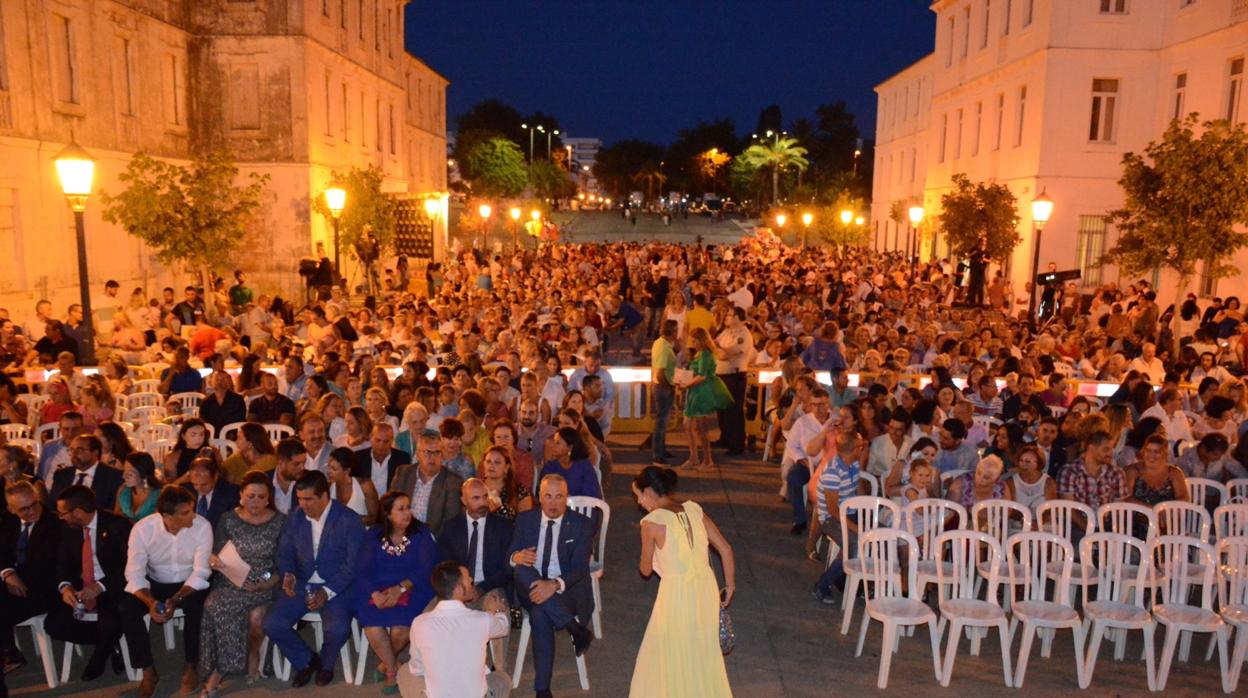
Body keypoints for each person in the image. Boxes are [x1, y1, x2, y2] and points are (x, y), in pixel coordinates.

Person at [629, 466, 734, 697]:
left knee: (669, 650)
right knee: (702, 649)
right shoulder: (693, 509)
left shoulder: (651, 522)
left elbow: (645, 570)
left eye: (638, 495)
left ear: (648, 491)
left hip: (676, 593)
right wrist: (730, 585)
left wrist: (654, 556)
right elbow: (725, 548)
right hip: (706, 588)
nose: (639, 502)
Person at [263, 470, 365, 687]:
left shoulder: (349, 519)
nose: (303, 504)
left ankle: (327, 665)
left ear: (324, 496)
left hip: (337, 585)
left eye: (308, 499)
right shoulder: (295, 517)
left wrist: (327, 592)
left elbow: (353, 565)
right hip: (302, 583)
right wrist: (288, 574)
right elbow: (284, 553)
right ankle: (307, 661)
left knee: (337, 629)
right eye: (299, 499)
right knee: (272, 623)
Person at [119, 485, 213, 697]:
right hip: (155, 582)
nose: (193, 516)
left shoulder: (202, 526)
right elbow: (134, 574)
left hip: (188, 583)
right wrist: (150, 602)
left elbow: (201, 572)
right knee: (127, 609)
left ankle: (190, 665)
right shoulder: (143, 529)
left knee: (198, 608)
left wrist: (177, 598)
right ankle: (148, 670)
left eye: (192, 509)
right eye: (185, 513)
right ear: (165, 516)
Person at [506, 475, 595, 698]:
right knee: (521, 568)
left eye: (559, 497)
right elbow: (508, 556)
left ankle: (542, 690)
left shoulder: (581, 524)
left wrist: (553, 585)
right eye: (548, 496)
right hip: (531, 587)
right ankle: (574, 629)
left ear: (567, 498)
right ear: (539, 498)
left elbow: (580, 570)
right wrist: (516, 556)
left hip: (567, 590)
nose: (553, 503)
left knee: (540, 615)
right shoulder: (525, 520)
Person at [199, 470, 285, 694]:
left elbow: (282, 566)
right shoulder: (228, 519)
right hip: (231, 580)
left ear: (268, 498)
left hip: (264, 583)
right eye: (250, 496)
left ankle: (252, 654)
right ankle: (220, 668)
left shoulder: (279, 522)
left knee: (257, 617)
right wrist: (215, 561)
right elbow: (216, 551)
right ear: (241, 496)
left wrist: (264, 582)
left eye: (260, 497)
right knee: (215, 605)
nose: (255, 501)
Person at [45, 485, 133, 681]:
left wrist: (100, 586)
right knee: (54, 625)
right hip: (81, 586)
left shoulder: (117, 525)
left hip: (112, 586)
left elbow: (130, 566)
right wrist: (65, 586)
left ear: (77, 512)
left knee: (111, 619)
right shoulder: (69, 530)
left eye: (63, 513)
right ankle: (109, 642)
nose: (61, 517)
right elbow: (62, 563)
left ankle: (100, 655)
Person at [355, 492, 438, 694]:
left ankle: (386, 665)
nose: (407, 513)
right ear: (387, 513)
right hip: (377, 588)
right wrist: (374, 593)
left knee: (401, 630)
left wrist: (400, 588)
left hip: (413, 587)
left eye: (408, 507)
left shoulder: (421, 534)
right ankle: (394, 668)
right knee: (373, 627)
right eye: (400, 509)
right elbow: (362, 569)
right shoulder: (374, 535)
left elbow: (426, 568)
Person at [400, 560, 511, 698]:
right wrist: (498, 610)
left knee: (404, 671)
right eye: (467, 578)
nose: (471, 580)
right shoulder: (482, 620)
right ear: (458, 589)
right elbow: (503, 626)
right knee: (503, 678)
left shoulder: (419, 623)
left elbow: (417, 669)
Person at [0, 480, 61, 675]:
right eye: (23, 509)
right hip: (11, 584)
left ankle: (9, 651)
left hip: (42, 588)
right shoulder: (6, 521)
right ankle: (9, 651)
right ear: (11, 509)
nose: (32, 511)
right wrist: (8, 573)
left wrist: (16, 577)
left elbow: (46, 566)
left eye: (34, 504)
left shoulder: (54, 524)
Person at [437, 478, 514, 605]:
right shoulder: (451, 527)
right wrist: (461, 589)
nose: (483, 503)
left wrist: (481, 588)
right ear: (464, 500)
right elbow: (445, 564)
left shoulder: (503, 527)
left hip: (492, 587)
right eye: (476, 498)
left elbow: (507, 568)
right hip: (457, 589)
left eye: (485, 497)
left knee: (495, 617)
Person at [391, 430, 465, 533]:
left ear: (442, 455)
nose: (432, 457)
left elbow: (449, 522)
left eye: (437, 452)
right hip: (401, 534)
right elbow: (390, 507)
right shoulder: (403, 473)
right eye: (427, 452)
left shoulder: (453, 481)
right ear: (417, 455)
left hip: (433, 540)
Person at [681, 327, 733, 470]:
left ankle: (707, 460)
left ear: (702, 340)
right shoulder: (701, 354)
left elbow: (702, 376)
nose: (693, 343)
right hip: (695, 391)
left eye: (695, 340)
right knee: (688, 425)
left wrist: (687, 384)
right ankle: (694, 457)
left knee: (700, 428)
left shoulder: (705, 354)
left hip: (700, 393)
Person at [712, 307, 753, 456]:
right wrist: (717, 349)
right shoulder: (726, 332)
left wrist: (717, 349)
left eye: (729, 315)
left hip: (734, 376)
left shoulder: (743, 335)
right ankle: (725, 438)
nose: (726, 317)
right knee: (722, 410)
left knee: (734, 411)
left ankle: (737, 444)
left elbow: (724, 355)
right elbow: (713, 344)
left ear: (737, 317)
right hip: (722, 375)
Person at [49, 434, 124, 511]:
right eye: (71, 450)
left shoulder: (113, 477)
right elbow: (53, 505)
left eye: (80, 450)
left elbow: (112, 510)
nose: (74, 454)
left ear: (95, 452)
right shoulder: (62, 475)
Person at [539, 426, 602, 499]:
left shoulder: (584, 466)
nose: (553, 446)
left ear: (570, 447)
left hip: (583, 508)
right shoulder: (550, 467)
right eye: (554, 442)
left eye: (558, 443)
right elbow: (544, 492)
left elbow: (591, 494)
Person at [650, 319, 679, 466]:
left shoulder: (660, 343)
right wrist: (669, 386)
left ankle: (661, 449)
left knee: (663, 420)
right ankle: (657, 453)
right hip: (663, 388)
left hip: (660, 386)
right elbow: (661, 373)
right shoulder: (664, 348)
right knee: (661, 421)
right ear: (673, 331)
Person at [326, 446, 380, 524]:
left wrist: (348, 519)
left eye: (334, 469)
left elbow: (375, 518)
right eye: (328, 466)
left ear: (347, 471)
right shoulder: (329, 487)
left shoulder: (365, 485)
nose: (328, 471)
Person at [352, 422, 410, 495]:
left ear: (392, 440)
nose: (381, 445)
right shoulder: (358, 457)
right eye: (377, 440)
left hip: (390, 502)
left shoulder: (402, 458)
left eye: (386, 441)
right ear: (370, 437)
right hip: (364, 501)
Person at [183, 457, 241, 528]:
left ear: (216, 476)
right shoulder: (185, 491)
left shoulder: (231, 493)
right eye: (195, 484)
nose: (198, 488)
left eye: (204, 484)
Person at [117, 451, 162, 523]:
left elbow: (157, 526)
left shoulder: (159, 496)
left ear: (144, 474)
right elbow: (115, 518)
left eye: (130, 474)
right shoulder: (123, 490)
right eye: (124, 471)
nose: (123, 476)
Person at [200, 371, 247, 438]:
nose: (219, 382)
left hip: (232, 438)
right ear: (212, 382)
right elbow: (203, 421)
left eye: (223, 379)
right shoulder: (206, 402)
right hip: (211, 437)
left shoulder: (238, 400)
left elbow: (240, 420)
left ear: (228, 381)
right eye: (217, 379)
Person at [165, 418, 211, 482]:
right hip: (183, 490)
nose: (198, 438)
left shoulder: (211, 452)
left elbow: (222, 477)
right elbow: (170, 486)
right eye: (193, 435)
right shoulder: (173, 457)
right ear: (183, 436)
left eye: (201, 434)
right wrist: (189, 475)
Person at [270, 438, 307, 515]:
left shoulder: (308, 481)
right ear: (281, 462)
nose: (302, 468)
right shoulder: (265, 480)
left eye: (304, 463)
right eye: (296, 464)